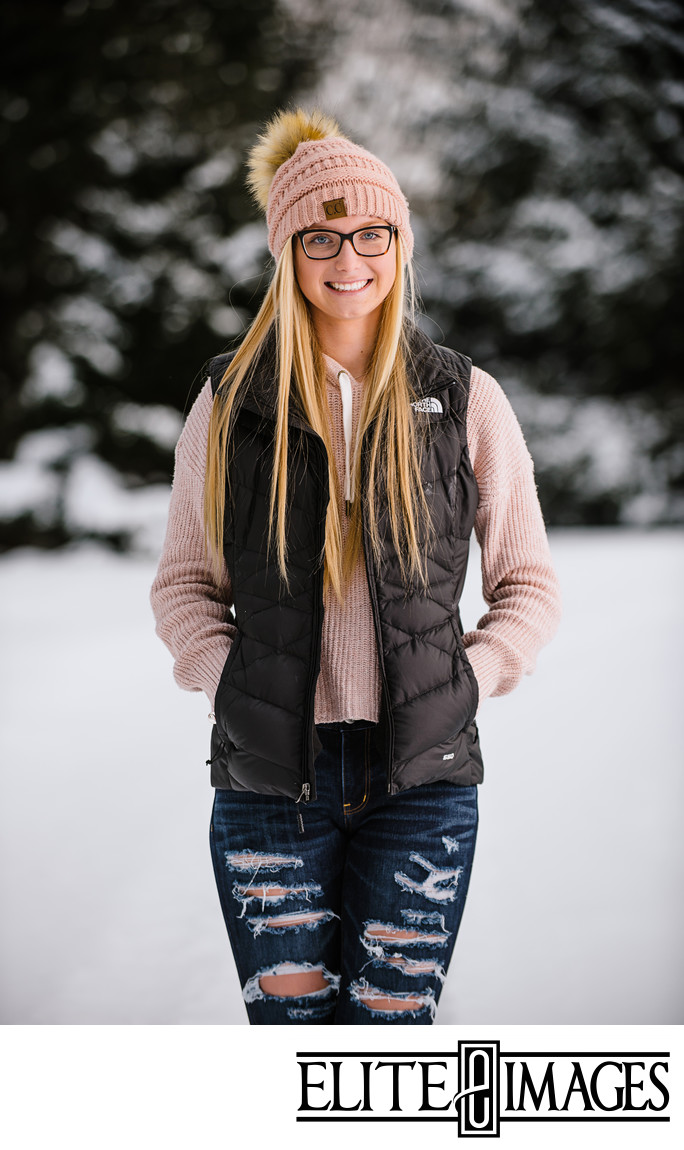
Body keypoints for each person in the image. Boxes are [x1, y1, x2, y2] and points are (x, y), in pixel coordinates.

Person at [150, 107, 562, 1025]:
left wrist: (470, 676)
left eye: (371, 232)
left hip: (421, 785)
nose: (349, 260)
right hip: (269, 787)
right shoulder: (231, 404)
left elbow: (527, 583)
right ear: (286, 253)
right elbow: (183, 584)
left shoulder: (460, 396)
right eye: (322, 237)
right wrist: (234, 683)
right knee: (292, 1044)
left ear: (399, 242)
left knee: (386, 1041)